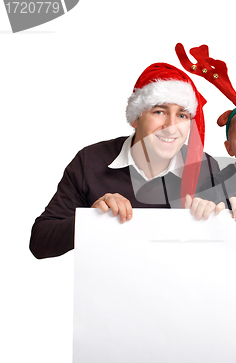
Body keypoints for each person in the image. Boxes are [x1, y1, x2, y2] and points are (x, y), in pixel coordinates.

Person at [30, 63, 219, 259]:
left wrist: (217, 221)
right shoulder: (90, 161)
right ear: (136, 118)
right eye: (159, 112)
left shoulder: (206, 168)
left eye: (182, 115)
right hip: (108, 286)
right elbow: (40, 243)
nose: (171, 128)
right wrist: (91, 218)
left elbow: (229, 249)